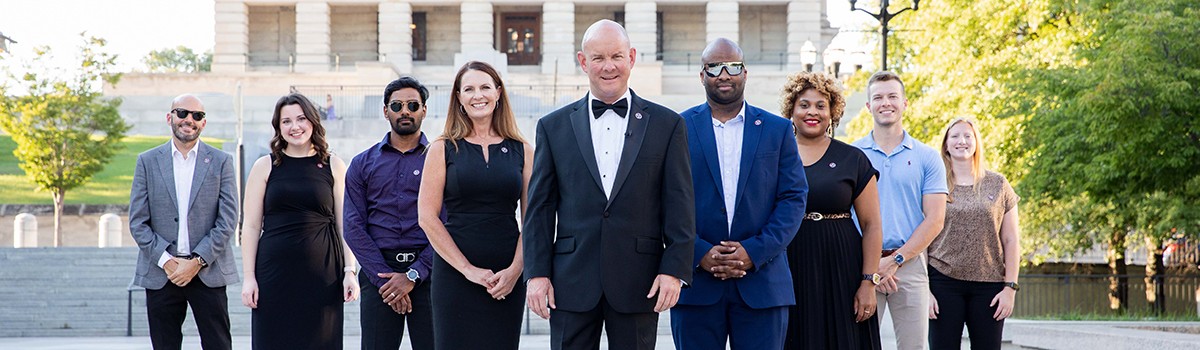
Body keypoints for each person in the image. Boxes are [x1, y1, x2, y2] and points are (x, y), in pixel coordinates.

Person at [524, 19, 696, 350]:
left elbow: (680, 203)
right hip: (569, 282)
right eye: (598, 57)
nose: (608, 67)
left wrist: (674, 269)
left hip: (640, 281)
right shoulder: (552, 126)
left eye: (616, 56)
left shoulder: (668, 124)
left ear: (631, 57)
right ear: (583, 61)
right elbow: (540, 208)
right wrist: (536, 274)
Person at [670, 38, 808, 350]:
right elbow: (662, 200)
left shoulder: (777, 130)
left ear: (745, 72)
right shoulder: (676, 128)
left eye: (732, 66)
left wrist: (754, 251)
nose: (724, 74)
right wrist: (698, 252)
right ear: (702, 74)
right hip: (696, 284)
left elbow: (794, 197)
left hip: (763, 284)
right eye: (714, 67)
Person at [417, 61, 531, 350]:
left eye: (484, 87)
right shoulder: (442, 148)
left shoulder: (523, 150)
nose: (477, 95)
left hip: (506, 276)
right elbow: (427, 218)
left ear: (498, 93)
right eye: (468, 89)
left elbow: (533, 219)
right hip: (455, 275)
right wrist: (468, 270)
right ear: (458, 98)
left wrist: (516, 270)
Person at [240, 93, 360, 350]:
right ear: (278, 127)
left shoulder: (333, 165)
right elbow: (250, 226)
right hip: (273, 275)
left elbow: (345, 225)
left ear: (313, 122)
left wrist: (350, 271)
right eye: (286, 121)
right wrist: (249, 277)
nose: (294, 127)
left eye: (301, 119)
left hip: (323, 276)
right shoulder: (265, 166)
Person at [782, 71, 884, 349]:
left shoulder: (853, 159)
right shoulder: (775, 156)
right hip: (788, 266)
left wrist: (868, 282)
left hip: (842, 268)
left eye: (820, 105)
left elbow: (872, 224)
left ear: (832, 112)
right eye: (803, 104)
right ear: (791, 110)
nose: (811, 112)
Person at [129, 94, 239, 350]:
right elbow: (137, 222)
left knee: (218, 345)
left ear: (203, 123)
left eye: (197, 116)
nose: (189, 120)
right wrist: (167, 262)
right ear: (170, 117)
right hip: (161, 272)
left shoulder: (222, 161)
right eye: (182, 113)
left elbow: (228, 219)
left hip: (207, 271)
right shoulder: (147, 161)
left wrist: (197, 261)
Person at [851, 71, 949, 350]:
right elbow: (845, 216)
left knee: (913, 346)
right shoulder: (852, 155)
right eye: (878, 97)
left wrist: (894, 261)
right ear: (868, 106)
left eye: (893, 96)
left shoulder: (927, 157)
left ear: (905, 103)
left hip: (909, 265)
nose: (886, 103)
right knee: (857, 343)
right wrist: (872, 269)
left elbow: (935, 219)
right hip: (860, 266)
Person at [344, 77, 436, 350]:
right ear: (386, 111)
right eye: (397, 105)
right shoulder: (362, 163)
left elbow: (448, 221)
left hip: (430, 275)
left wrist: (413, 275)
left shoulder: (442, 160)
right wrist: (387, 279)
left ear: (424, 110)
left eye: (412, 105)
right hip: (378, 277)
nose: (404, 111)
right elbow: (352, 225)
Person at [926, 117, 1021, 350]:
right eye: (955, 136)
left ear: (976, 142)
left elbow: (1011, 240)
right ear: (946, 144)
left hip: (989, 286)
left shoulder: (998, 184)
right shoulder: (933, 184)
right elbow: (923, 237)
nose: (962, 141)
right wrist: (924, 291)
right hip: (942, 283)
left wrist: (1010, 288)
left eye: (968, 136)